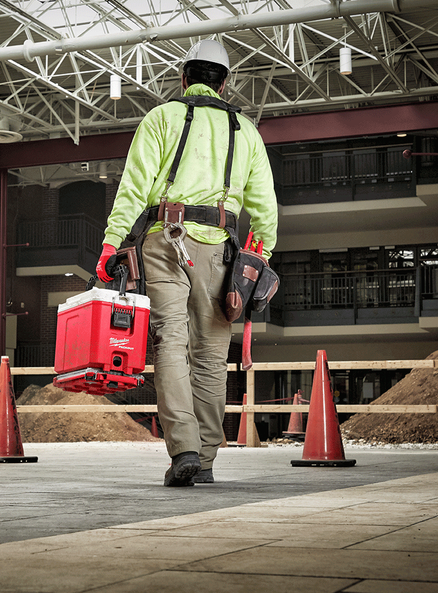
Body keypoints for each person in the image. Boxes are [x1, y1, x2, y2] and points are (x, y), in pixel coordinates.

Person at [96, 39, 278, 486]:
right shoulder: (246, 131)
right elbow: (266, 207)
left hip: (164, 241)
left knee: (171, 343)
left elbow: (134, 187)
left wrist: (111, 242)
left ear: (184, 77)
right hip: (220, 249)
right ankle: (209, 459)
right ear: (224, 82)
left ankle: (185, 451)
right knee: (213, 355)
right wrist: (261, 256)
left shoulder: (162, 118)